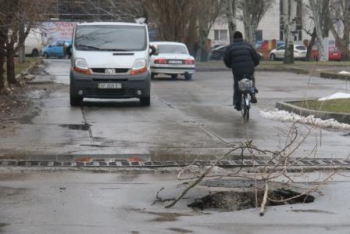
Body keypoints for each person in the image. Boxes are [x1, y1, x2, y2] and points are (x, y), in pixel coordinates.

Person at [223, 31, 260, 111]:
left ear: (234, 38)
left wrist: (230, 66)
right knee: (251, 81)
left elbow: (226, 60)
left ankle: (238, 104)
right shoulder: (249, 46)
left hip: (237, 70)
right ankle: (252, 94)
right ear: (241, 37)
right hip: (249, 69)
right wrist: (254, 65)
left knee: (237, 85)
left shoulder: (230, 47)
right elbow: (256, 58)